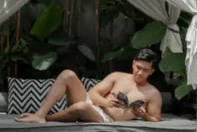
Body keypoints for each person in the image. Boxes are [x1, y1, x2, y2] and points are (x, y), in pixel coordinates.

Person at [15, 48, 163, 124]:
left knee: (81, 106)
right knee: (68, 74)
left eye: (145, 70)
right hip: (96, 105)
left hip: (106, 119)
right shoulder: (118, 76)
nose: (140, 73)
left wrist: (143, 115)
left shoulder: (153, 93)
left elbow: (156, 120)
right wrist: (106, 102)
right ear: (133, 63)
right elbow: (92, 94)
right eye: (138, 67)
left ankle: (46, 118)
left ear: (152, 71)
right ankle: (39, 115)